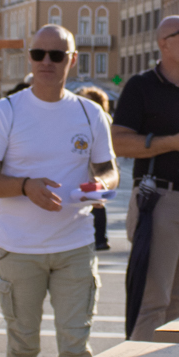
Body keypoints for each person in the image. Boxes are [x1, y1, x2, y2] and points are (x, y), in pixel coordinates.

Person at [0, 26, 118, 357]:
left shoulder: (90, 112)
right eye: (39, 54)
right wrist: (24, 187)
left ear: (73, 59)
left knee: (76, 340)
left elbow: (109, 168)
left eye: (57, 55)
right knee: (22, 339)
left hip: (75, 244)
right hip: (20, 248)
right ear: (29, 58)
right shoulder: (6, 111)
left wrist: (99, 185)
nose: (47, 62)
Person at [111, 15, 179, 337]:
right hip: (162, 201)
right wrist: (171, 142)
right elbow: (118, 141)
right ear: (163, 43)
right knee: (152, 302)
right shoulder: (142, 86)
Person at [73, 85, 117, 250]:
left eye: (87, 100)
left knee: (96, 201)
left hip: (96, 162)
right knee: (93, 200)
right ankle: (99, 237)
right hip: (89, 162)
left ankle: (100, 237)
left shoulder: (100, 117)